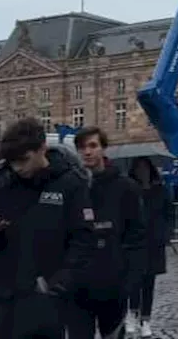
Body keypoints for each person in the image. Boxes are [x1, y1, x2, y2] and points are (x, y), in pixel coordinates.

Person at [0, 118, 94, 339]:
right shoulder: (5, 182)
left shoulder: (70, 183)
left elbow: (83, 240)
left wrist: (59, 283)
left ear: (42, 148)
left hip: (45, 298)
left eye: (24, 160)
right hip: (1, 298)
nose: (18, 168)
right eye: (12, 162)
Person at [68, 126, 145, 339]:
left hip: (112, 285)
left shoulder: (125, 187)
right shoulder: (71, 186)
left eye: (93, 146)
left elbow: (136, 235)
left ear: (103, 149)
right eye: (82, 147)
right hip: (77, 287)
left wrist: (129, 280)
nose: (87, 152)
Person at [128, 156, 173, 338]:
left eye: (145, 168)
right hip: (135, 242)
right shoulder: (130, 190)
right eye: (139, 168)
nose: (142, 171)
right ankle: (132, 314)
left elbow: (169, 214)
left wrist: (166, 233)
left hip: (154, 243)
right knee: (133, 282)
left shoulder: (160, 190)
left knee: (149, 283)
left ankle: (146, 319)